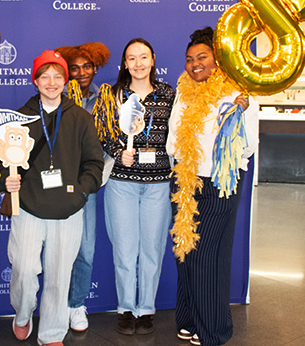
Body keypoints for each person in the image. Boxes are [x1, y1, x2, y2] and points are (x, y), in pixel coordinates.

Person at [0, 50, 103, 346]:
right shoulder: (19, 118)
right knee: (23, 268)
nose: (52, 82)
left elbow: (94, 163)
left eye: (58, 76)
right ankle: (22, 311)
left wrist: (82, 190)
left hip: (68, 209)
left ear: (65, 80)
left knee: (59, 274)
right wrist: (6, 179)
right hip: (29, 206)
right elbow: (5, 161)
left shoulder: (80, 117)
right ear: (36, 80)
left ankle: (53, 332)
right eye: (45, 76)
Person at [166, 27, 258, 346]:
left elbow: (248, 144)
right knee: (186, 252)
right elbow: (173, 139)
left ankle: (214, 330)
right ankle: (189, 320)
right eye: (189, 59)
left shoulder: (238, 91)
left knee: (208, 255)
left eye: (202, 57)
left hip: (220, 182)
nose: (194, 64)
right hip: (185, 180)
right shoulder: (184, 89)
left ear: (217, 58)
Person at [102, 38, 175, 336]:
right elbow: (102, 133)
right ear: (124, 63)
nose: (138, 63)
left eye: (143, 57)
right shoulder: (114, 95)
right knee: (124, 249)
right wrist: (120, 152)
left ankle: (146, 309)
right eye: (131, 58)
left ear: (153, 59)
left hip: (158, 183)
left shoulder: (169, 94)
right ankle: (125, 309)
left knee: (152, 250)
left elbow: (180, 132)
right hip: (122, 184)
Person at [54, 42, 111, 332]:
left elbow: (113, 141)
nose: (81, 72)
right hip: (56, 187)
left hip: (87, 186)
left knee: (85, 250)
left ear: (95, 68)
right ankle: (56, 304)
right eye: (74, 68)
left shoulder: (106, 100)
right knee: (57, 249)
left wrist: (99, 176)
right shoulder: (55, 98)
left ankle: (76, 304)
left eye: (86, 66)